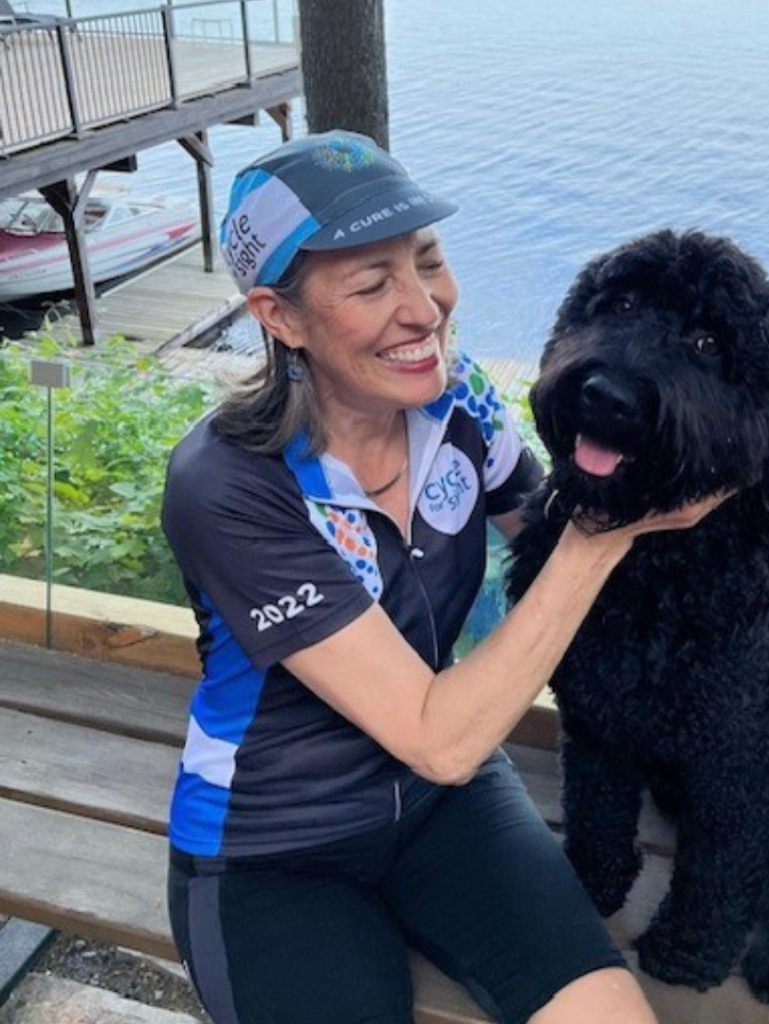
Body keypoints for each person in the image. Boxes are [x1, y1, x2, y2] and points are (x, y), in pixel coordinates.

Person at [161, 129, 729, 1024]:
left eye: (428, 260)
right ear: (280, 316)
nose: (425, 309)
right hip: (273, 844)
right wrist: (599, 540)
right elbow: (443, 732)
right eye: (371, 283)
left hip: (445, 808)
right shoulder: (229, 485)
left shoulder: (453, 396)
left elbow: (543, 529)